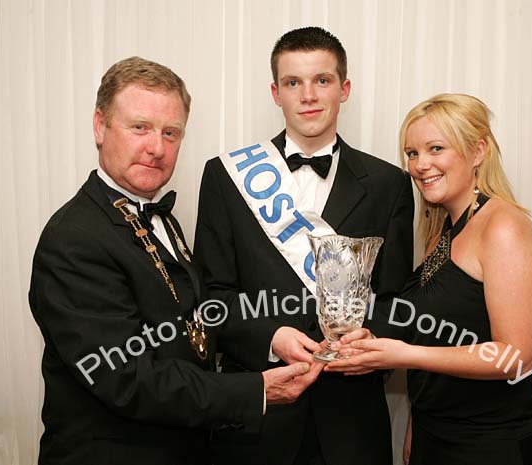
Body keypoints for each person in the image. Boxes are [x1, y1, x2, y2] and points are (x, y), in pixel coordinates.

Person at [28, 56, 322, 465]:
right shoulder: (73, 239)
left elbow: (194, 322)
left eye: (171, 133)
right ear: (100, 126)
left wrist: (271, 336)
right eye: (140, 128)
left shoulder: (159, 219)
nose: (157, 148)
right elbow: (126, 378)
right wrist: (255, 391)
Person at [193, 27, 414, 465]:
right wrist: (271, 336)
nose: (308, 95)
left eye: (322, 80)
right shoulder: (226, 177)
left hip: (353, 422)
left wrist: (373, 341)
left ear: (344, 88)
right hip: (259, 420)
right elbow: (210, 297)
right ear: (276, 93)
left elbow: (395, 299)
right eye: (293, 82)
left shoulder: (390, 183)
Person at [326, 93, 532, 465]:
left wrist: (402, 354)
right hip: (437, 438)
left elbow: (516, 359)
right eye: (412, 153)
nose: (420, 165)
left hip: (492, 445)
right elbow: (439, 333)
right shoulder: (443, 231)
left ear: (478, 150)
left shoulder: (504, 228)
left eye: (436, 148)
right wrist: (417, 427)